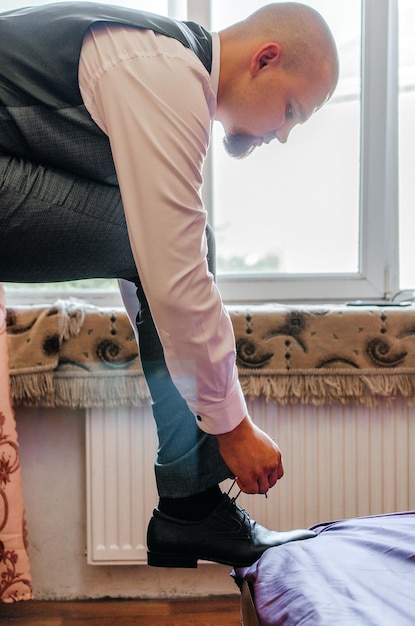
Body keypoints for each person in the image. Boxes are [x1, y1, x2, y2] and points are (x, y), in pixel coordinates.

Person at [0, 2, 339, 568]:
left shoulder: (162, 68)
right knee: (174, 245)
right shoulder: (163, 72)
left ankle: (189, 506)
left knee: (169, 241)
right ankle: (190, 508)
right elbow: (171, 271)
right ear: (266, 59)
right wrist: (231, 426)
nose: (282, 136)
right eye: (290, 111)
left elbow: (155, 279)